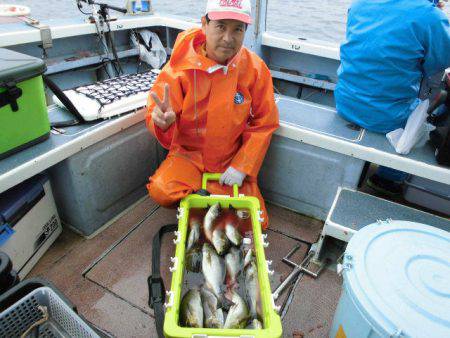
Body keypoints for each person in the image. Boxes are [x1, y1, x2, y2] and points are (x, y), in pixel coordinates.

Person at [145, 0, 279, 229]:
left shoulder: (256, 69)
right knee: (161, 191)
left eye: (237, 29)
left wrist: (242, 166)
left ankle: (201, 202)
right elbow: (157, 110)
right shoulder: (179, 68)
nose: (228, 38)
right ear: (204, 24)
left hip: (230, 160)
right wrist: (163, 123)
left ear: (245, 31)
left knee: (256, 222)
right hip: (189, 156)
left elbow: (264, 123)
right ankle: (204, 201)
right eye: (220, 26)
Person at [335, 0, 450, 195]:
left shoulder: (359, 4)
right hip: (388, 118)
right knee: (437, 92)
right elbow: (438, 64)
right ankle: (387, 179)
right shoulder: (431, 17)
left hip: (345, 101)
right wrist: (432, 15)